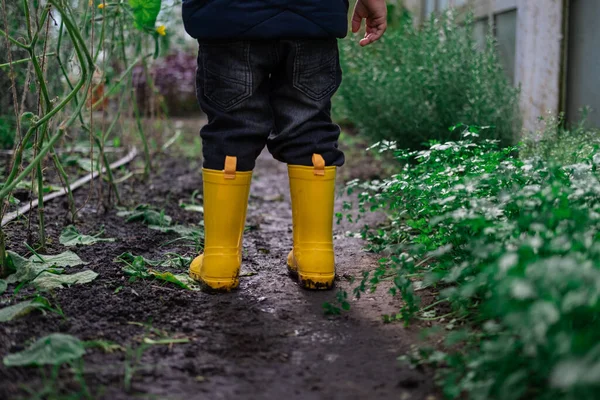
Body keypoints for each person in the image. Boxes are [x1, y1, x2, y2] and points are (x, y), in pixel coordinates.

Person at [182, 0, 388, 291]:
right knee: (310, 127)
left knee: (232, 129)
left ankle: (220, 260)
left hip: (226, 17)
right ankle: (316, 256)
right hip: (312, 17)